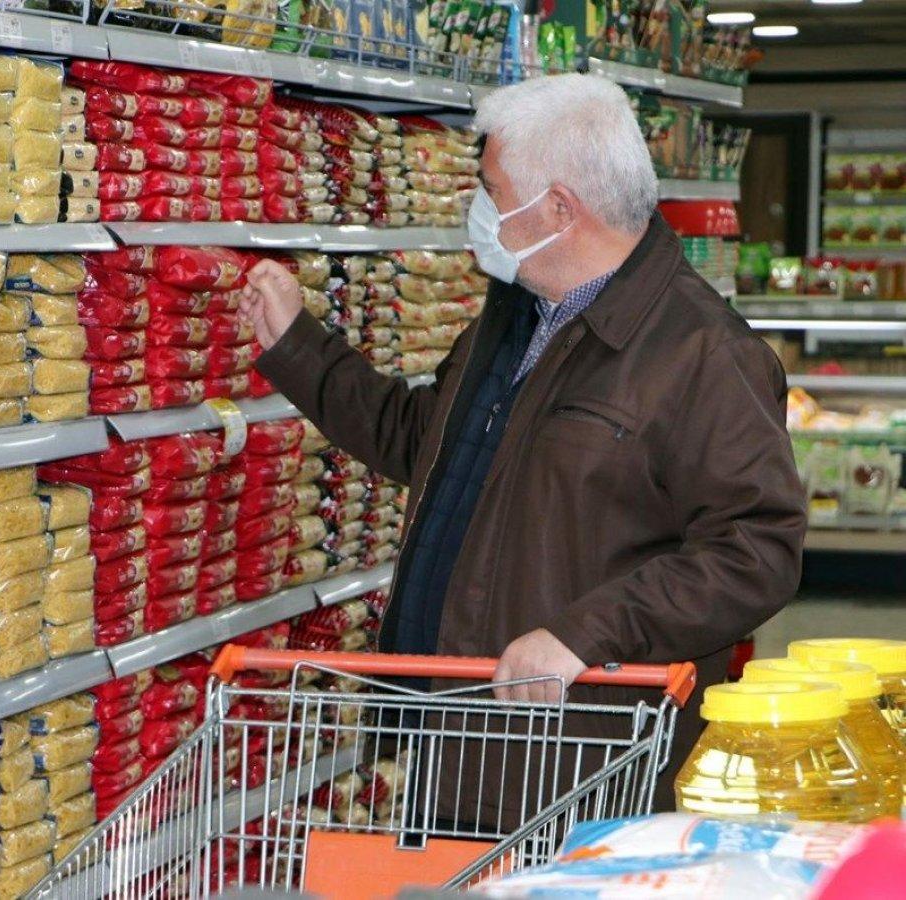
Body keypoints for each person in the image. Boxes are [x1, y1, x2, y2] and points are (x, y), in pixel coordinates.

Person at [238, 73, 807, 814]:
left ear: (560, 209)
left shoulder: (702, 355)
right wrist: (298, 348)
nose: (479, 210)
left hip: (587, 762)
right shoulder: (515, 319)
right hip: (460, 739)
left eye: (492, 189)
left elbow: (757, 551)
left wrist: (584, 634)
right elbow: (424, 443)